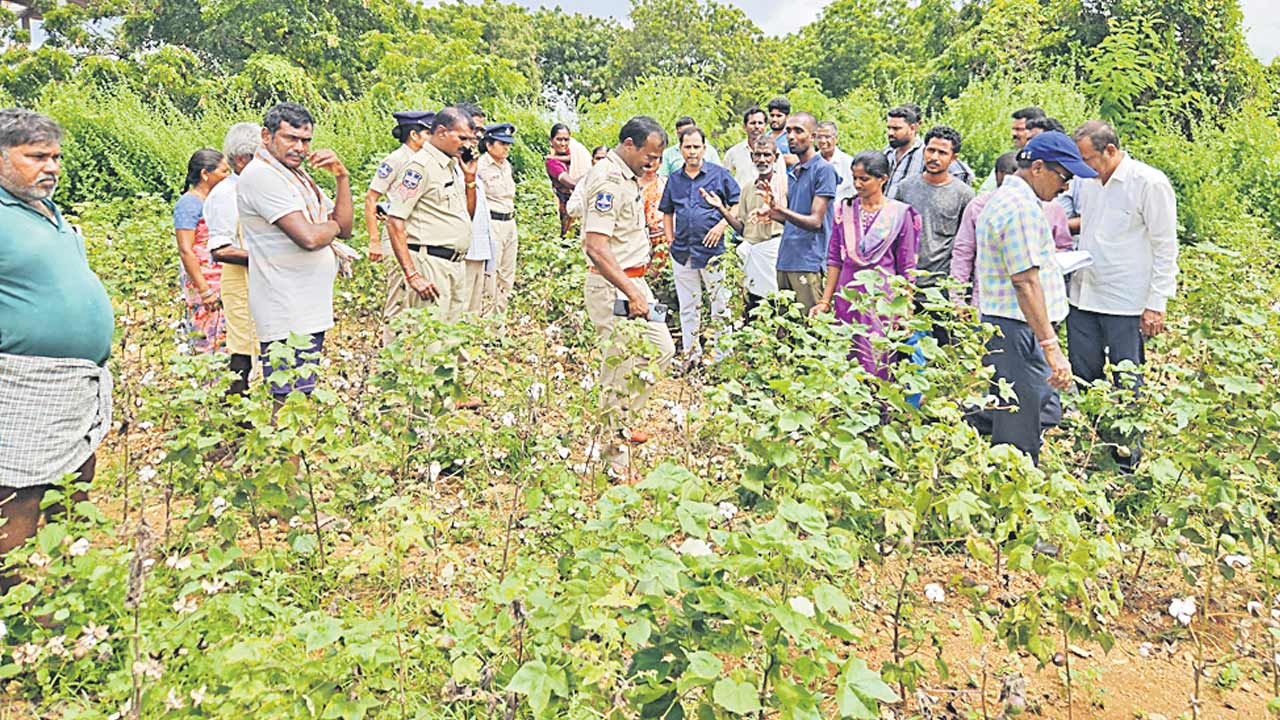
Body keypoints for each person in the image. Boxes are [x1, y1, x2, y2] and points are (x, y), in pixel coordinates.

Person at [0, 109, 114, 584]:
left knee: (73, 482)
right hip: (26, 381)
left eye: (56, 157)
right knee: (20, 494)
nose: (51, 167)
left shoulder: (45, 209)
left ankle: (69, 588)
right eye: (37, 156)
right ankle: (14, 603)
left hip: (77, 381)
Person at [967, 131, 1096, 465]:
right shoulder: (1019, 209)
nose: (1066, 187)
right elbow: (1025, 282)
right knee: (1019, 431)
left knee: (1044, 406)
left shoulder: (1018, 201)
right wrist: (1051, 347)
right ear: (1038, 167)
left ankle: (972, 421)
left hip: (1019, 328)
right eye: (1064, 176)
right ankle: (1011, 498)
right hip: (1017, 329)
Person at [1069, 120, 1178, 468]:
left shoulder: (1149, 183)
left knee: (1127, 380)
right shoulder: (1087, 183)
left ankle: (1127, 459)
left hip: (1125, 301)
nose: (1083, 166)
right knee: (1084, 376)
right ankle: (1094, 452)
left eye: (1088, 158)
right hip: (1083, 295)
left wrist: (1156, 304)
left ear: (1111, 151)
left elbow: (1165, 246)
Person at [237, 102, 353, 397]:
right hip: (284, 306)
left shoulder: (298, 177)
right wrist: (332, 228)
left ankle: (293, 442)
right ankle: (281, 444)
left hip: (307, 305)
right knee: (286, 394)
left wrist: (342, 177)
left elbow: (346, 226)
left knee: (303, 389)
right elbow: (309, 238)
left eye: (306, 141)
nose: (300, 148)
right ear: (266, 136)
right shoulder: (261, 175)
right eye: (290, 138)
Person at [579, 116, 674, 476]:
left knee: (661, 350)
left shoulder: (627, 178)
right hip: (614, 288)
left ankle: (620, 422)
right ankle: (612, 457)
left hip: (636, 282)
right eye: (648, 155)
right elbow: (596, 246)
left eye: (657, 158)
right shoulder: (606, 180)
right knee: (619, 368)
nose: (652, 164)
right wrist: (631, 291)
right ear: (629, 145)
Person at [811, 151, 920, 378]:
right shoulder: (845, 209)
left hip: (883, 300)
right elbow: (834, 259)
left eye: (864, 179)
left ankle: (880, 412)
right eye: (855, 178)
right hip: (848, 296)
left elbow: (907, 266)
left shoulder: (899, 214)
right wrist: (825, 300)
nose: (857, 184)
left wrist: (905, 309)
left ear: (883, 179)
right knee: (845, 361)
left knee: (878, 361)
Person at [384, 107, 475, 333]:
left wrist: (470, 179)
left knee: (451, 339)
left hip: (454, 263)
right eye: (462, 138)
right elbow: (394, 221)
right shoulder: (419, 167)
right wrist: (412, 274)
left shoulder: (452, 166)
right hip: (430, 263)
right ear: (442, 132)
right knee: (430, 342)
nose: (468, 145)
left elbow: (466, 215)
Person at [658, 125, 740, 362]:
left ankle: (724, 357)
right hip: (682, 252)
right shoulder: (674, 179)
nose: (692, 151)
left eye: (696, 147)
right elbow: (667, 211)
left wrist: (721, 225)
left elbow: (735, 203)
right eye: (687, 147)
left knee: (720, 305)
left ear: (704, 148)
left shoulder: (719, 174)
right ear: (680, 149)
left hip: (712, 252)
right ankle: (691, 355)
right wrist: (670, 239)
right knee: (688, 305)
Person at [952, 152, 1074, 307]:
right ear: (999, 175)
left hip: (1040, 300)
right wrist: (957, 299)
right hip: (991, 301)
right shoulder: (979, 206)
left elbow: (1064, 247)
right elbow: (964, 252)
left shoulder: (1052, 208)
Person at [206, 122, 264, 395]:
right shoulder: (226, 195)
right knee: (243, 350)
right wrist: (268, 257)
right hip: (241, 283)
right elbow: (221, 249)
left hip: (263, 280)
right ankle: (237, 418)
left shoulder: (256, 187)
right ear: (242, 160)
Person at [761, 111, 837, 313]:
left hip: (809, 261)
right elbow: (794, 218)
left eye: (798, 131)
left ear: (813, 137)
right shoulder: (795, 171)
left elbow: (815, 221)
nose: (791, 136)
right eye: (788, 132)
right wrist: (772, 214)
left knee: (811, 330)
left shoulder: (823, 170)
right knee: (785, 330)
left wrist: (782, 211)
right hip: (786, 259)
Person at [888, 126, 975, 298]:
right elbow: (894, 234)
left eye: (942, 153)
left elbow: (966, 244)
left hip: (942, 287)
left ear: (953, 158)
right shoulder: (905, 188)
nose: (934, 157)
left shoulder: (964, 194)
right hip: (906, 284)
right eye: (931, 150)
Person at [173, 149, 231, 354]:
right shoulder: (189, 204)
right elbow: (186, 250)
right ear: (205, 174)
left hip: (222, 277)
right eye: (224, 171)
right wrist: (204, 289)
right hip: (202, 279)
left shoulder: (217, 200)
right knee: (207, 334)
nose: (228, 177)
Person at [365, 111, 434, 265]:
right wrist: (374, 240)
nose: (432, 137)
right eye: (428, 133)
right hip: (396, 233)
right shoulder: (396, 159)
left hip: (420, 234)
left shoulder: (427, 160)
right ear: (414, 135)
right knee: (400, 284)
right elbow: (371, 197)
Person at [735, 136, 787, 316]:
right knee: (754, 302)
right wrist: (721, 209)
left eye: (767, 155)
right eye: (758, 155)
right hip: (752, 251)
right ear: (751, 157)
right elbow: (742, 227)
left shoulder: (785, 184)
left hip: (774, 250)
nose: (762, 160)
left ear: (776, 157)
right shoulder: (748, 187)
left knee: (776, 301)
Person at [478, 122, 519, 315]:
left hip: (509, 222)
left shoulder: (506, 166)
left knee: (507, 274)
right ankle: (486, 322)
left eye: (508, 144)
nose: (506, 148)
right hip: (491, 223)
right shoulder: (480, 166)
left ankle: (499, 323)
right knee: (489, 275)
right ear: (489, 145)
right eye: (502, 143)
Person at [883, 104, 972, 192]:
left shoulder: (927, 153)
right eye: (889, 128)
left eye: (896, 129)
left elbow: (962, 173)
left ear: (912, 128)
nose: (890, 133)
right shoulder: (887, 152)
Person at [460, 114, 496, 318]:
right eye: (473, 130)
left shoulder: (471, 167)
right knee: (459, 307)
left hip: (478, 248)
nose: (477, 136)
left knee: (473, 309)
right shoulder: (451, 167)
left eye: (481, 131)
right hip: (461, 250)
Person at [978, 106, 1047, 192]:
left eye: (1019, 129)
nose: (1013, 133)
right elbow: (985, 193)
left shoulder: (1051, 162)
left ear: (1036, 131)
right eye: (1013, 129)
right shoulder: (1009, 161)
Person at [722, 106, 782, 190]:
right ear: (744, 126)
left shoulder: (774, 153)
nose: (756, 126)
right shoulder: (734, 152)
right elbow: (723, 177)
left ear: (765, 126)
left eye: (760, 123)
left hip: (768, 198)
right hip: (741, 200)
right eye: (753, 123)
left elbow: (782, 178)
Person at [546, 124, 579, 237]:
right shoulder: (552, 163)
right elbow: (571, 184)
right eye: (559, 139)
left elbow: (573, 157)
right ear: (551, 141)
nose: (563, 143)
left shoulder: (572, 155)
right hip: (566, 207)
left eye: (566, 139)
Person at [566, 142, 611, 219]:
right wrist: (592, 200)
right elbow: (571, 209)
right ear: (592, 161)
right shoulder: (585, 182)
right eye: (598, 158)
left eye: (604, 159)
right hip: (590, 226)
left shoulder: (619, 181)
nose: (600, 162)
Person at [815, 120, 854, 202]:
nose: (822, 141)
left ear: (836, 138)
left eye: (827, 137)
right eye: (819, 137)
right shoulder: (812, 162)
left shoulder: (848, 162)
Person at [765, 96, 794, 162]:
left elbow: (793, 160)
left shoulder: (791, 137)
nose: (774, 119)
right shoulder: (765, 137)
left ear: (787, 117)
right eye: (772, 115)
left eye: (779, 116)